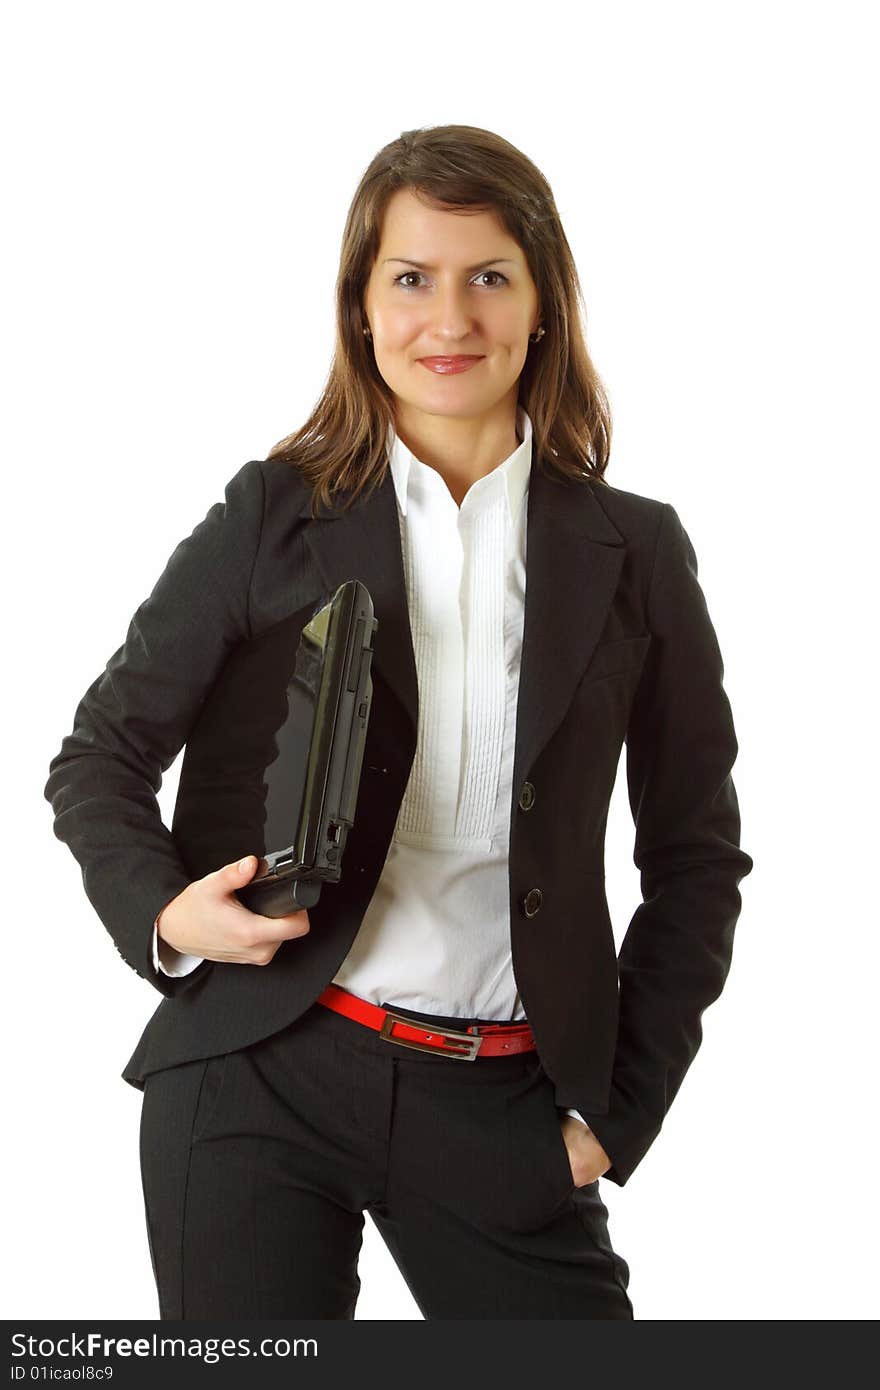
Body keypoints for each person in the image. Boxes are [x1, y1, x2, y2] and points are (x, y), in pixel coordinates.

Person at [43, 123, 753, 1320]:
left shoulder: (635, 552)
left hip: (505, 1104)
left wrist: (616, 1113)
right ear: (362, 308)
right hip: (263, 1069)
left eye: (490, 277)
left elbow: (695, 857)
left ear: (542, 305)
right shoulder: (273, 513)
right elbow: (99, 756)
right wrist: (167, 913)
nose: (450, 320)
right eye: (411, 279)